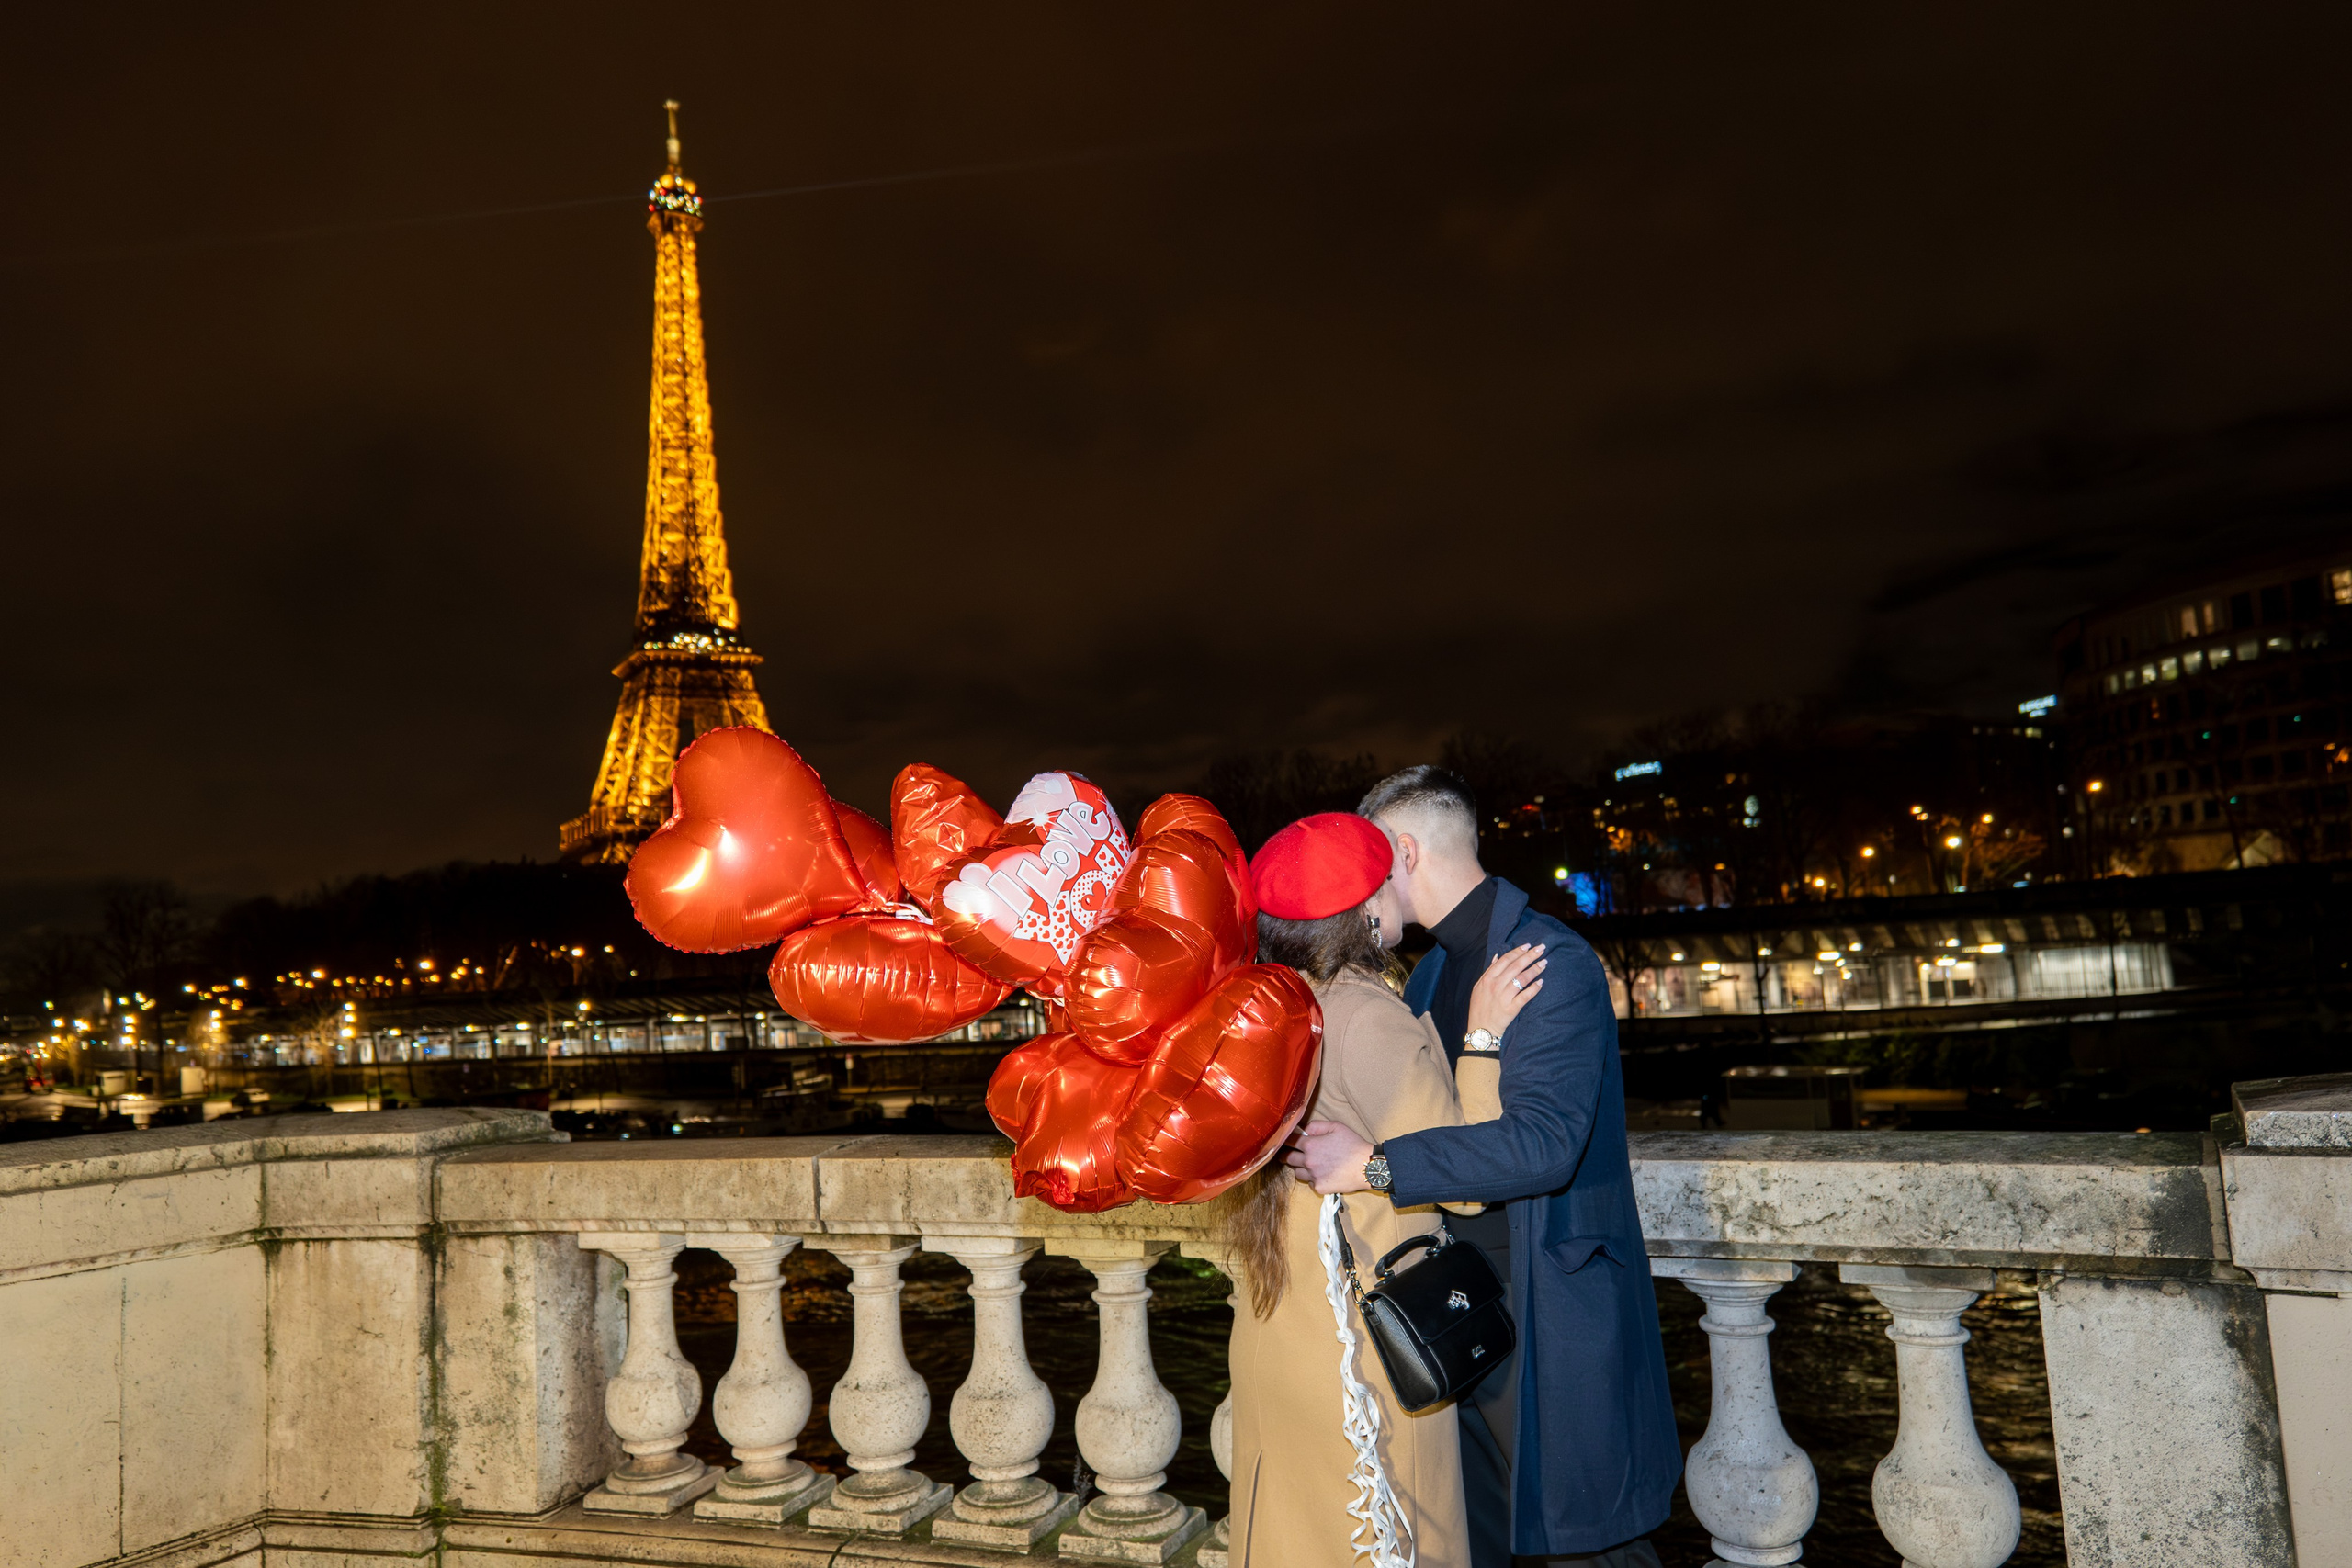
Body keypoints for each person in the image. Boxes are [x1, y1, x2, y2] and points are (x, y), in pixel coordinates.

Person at [1288, 766, 1682, 1568]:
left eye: (1367, 859)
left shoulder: (1550, 958)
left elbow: (1544, 1144)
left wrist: (1377, 1165)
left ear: (1399, 852)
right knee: (1500, 1540)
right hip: (1465, 1303)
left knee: (1591, 1548)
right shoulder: (1430, 973)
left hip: (1552, 1303)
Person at [1221, 811, 1537, 1568]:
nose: (1400, 887)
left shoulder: (1264, 1008)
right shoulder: (1363, 1014)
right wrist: (1484, 1037)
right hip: (1361, 1348)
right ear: (1363, 908)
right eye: (1383, 878)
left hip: (1280, 1331)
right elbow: (1463, 1176)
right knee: (1389, 1531)